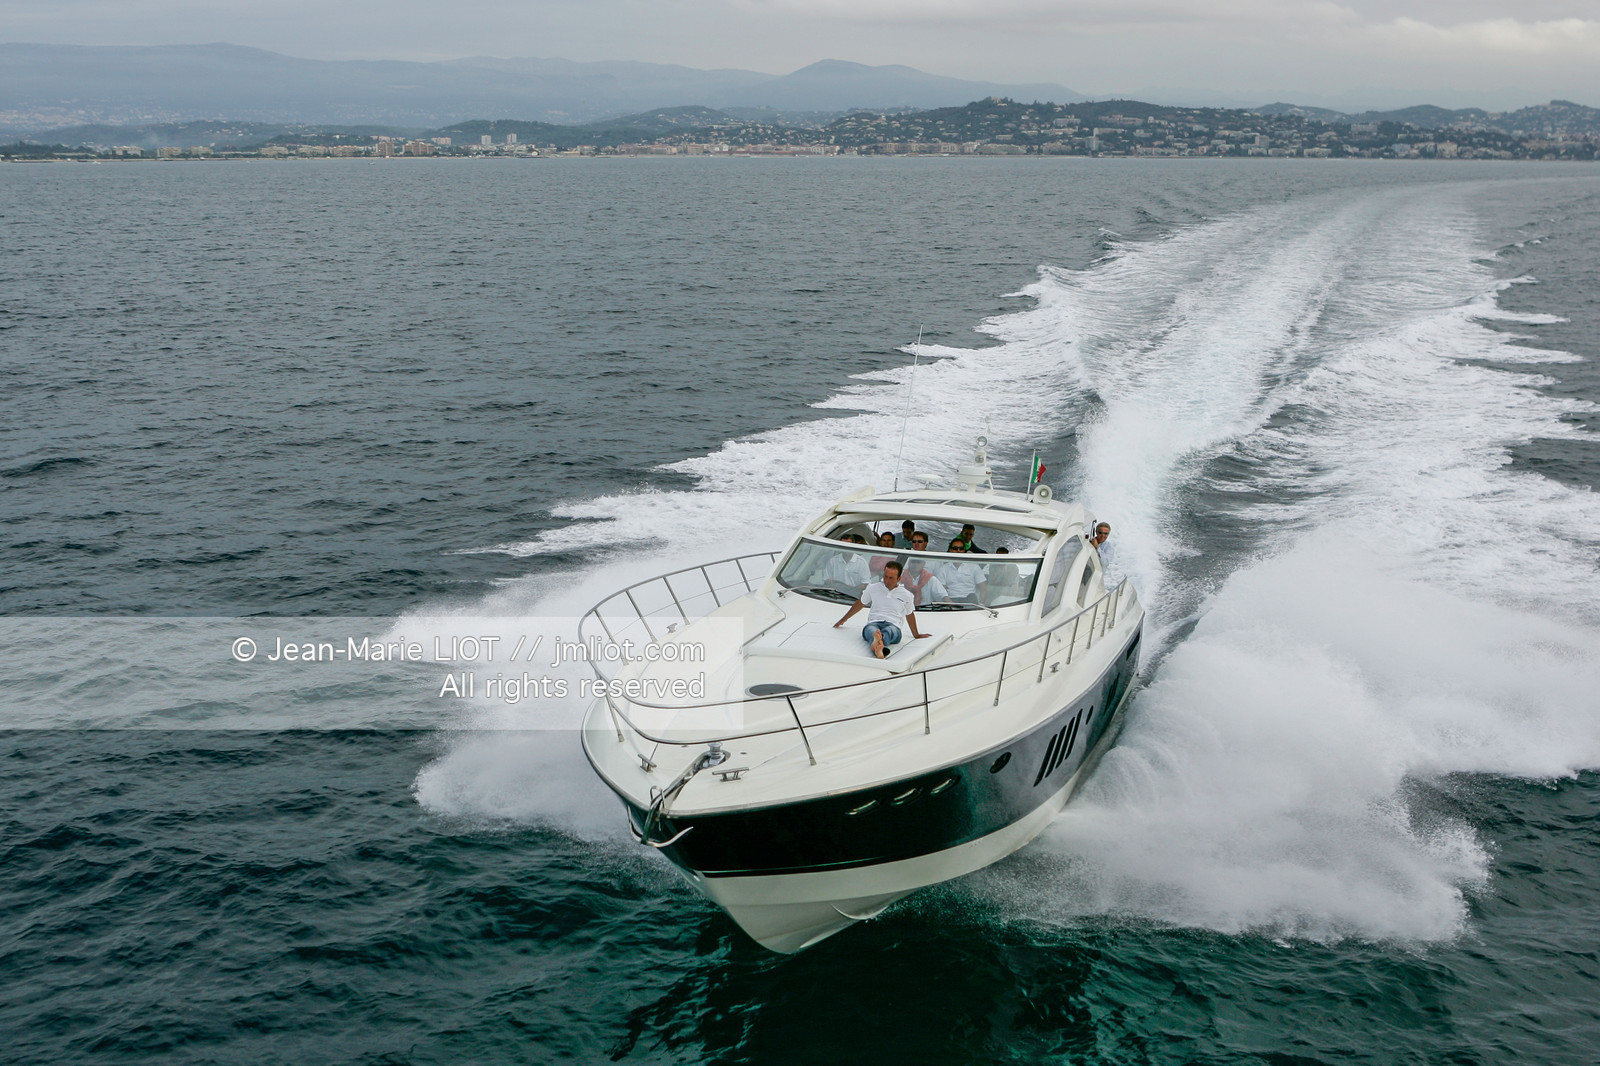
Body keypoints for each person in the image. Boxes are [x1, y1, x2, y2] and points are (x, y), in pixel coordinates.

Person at [834, 561, 929, 658]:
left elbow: (909, 614)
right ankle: (879, 646)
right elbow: (860, 603)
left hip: (894, 624)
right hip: (874, 622)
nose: (887, 580)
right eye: (886, 576)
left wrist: (916, 634)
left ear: (899, 578)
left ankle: (877, 643)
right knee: (870, 630)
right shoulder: (873, 588)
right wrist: (843, 620)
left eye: (891, 578)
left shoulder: (906, 595)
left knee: (890, 631)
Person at [933, 537, 988, 604]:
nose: (958, 550)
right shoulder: (943, 569)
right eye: (955, 548)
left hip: (971, 601)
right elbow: (942, 592)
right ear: (950, 550)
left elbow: (983, 589)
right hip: (951, 601)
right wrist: (951, 604)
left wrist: (981, 605)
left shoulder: (974, 566)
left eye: (961, 549)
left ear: (964, 551)